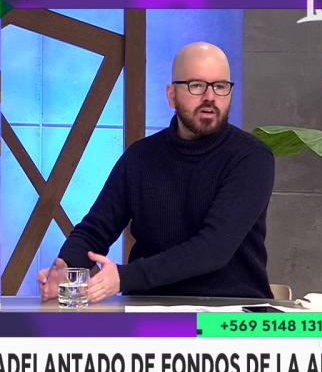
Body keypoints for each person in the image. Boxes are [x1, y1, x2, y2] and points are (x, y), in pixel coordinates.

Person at [40, 42, 275, 303]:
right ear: (171, 95)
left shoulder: (251, 157)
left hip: (231, 310)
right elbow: (96, 229)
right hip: (148, 308)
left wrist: (124, 277)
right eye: (196, 85)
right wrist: (66, 267)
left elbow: (213, 248)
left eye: (220, 86)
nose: (210, 97)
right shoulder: (140, 156)